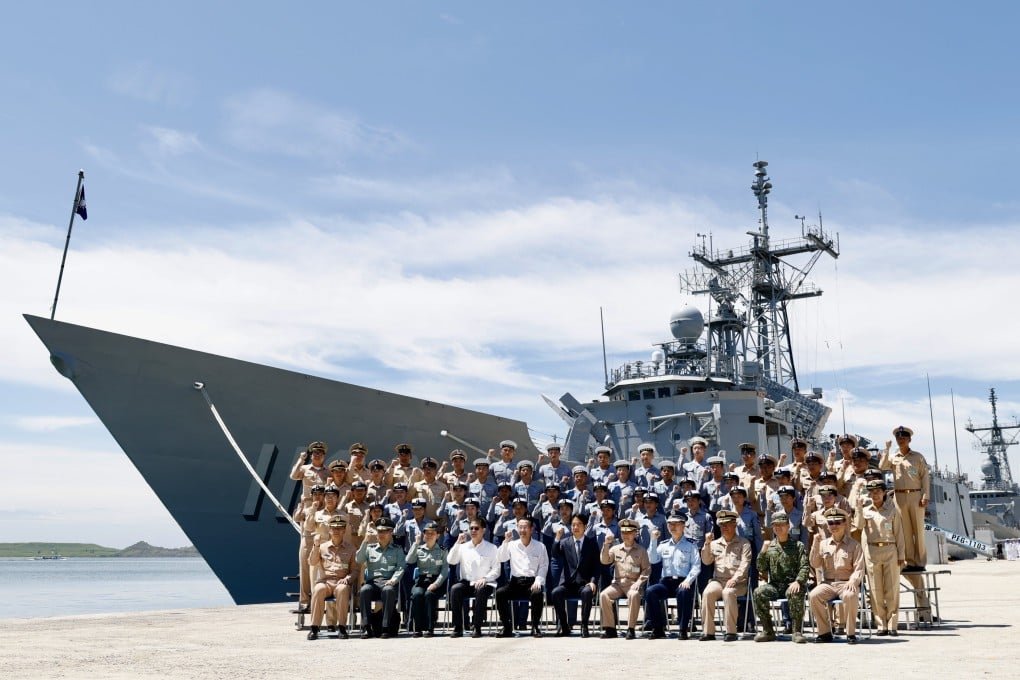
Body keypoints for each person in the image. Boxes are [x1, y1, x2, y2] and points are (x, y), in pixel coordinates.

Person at [808, 507, 865, 644]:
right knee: (814, 595)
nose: (834, 526)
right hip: (828, 583)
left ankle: (850, 633)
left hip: (846, 583)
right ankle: (825, 632)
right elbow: (815, 564)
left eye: (838, 522)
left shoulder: (854, 545)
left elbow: (859, 568)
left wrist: (853, 581)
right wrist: (815, 544)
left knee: (850, 595)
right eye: (831, 523)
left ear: (845, 523)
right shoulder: (823, 544)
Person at [753, 512, 809, 643]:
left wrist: (798, 581)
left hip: (792, 584)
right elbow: (761, 568)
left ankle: (796, 631)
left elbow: (805, 566)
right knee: (758, 593)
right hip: (775, 585)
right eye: (775, 525)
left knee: (794, 592)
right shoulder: (770, 546)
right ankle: (768, 631)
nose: (778, 528)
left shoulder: (798, 546)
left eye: (781, 525)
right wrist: (763, 551)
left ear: (788, 525)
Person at [859, 479, 906, 636]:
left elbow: (899, 534)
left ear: (884, 492)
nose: (875, 495)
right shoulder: (866, 511)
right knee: (875, 590)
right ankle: (881, 625)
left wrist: (901, 555)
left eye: (878, 491)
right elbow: (859, 526)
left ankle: (892, 625)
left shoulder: (892, 510)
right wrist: (859, 508)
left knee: (892, 589)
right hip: (872, 551)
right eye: (872, 492)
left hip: (890, 549)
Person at [880, 426, 929, 572]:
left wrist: (925, 496)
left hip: (915, 496)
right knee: (905, 532)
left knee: (918, 531)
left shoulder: (918, 457)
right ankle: (909, 562)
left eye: (903, 438)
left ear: (909, 439)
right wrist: (887, 449)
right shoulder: (893, 457)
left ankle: (920, 562)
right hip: (899, 497)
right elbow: (882, 466)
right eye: (898, 438)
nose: (901, 440)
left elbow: (925, 477)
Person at [644, 510, 700, 639]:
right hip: (666, 582)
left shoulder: (691, 545)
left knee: (683, 592)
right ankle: (658, 628)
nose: (672, 527)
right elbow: (652, 560)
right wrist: (653, 541)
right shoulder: (663, 545)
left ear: (683, 525)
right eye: (670, 524)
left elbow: (696, 566)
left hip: (683, 581)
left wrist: (688, 581)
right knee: (650, 591)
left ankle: (683, 629)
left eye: (676, 524)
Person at [699, 509, 751, 642]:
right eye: (722, 525)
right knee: (708, 592)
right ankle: (708, 631)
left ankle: (731, 632)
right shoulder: (715, 543)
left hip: (738, 582)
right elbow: (706, 561)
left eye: (727, 524)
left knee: (728, 593)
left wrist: (735, 579)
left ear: (735, 524)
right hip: (718, 580)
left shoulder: (743, 543)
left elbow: (745, 565)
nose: (724, 527)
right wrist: (707, 544)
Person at [495, 516, 549, 637]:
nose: (522, 530)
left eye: (525, 527)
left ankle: (535, 626)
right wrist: (505, 542)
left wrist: (538, 580)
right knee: (500, 593)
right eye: (520, 527)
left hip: (531, 582)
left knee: (537, 593)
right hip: (515, 583)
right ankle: (507, 627)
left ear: (532, 529)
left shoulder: (540, 546)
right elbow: (500, 558)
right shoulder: (512, 545)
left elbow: (544, 566)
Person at [447, 517, 500, 638]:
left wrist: (485, 579)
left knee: (481, 591)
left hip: (485, 582)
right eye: (471, 528)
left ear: (483, 530)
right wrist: (457, 543)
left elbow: (497, 570)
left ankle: (477, 627)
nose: (473, 531)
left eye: (476, 528)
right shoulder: (463, 546)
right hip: (467, 582)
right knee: (455, 589)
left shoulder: (492, 548)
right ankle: (458, 627)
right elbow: (451, 560)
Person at [598, 518, 650, 639]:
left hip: (633, 583)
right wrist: (606, 544)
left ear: (635, 533)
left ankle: (630, 628)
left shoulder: (641, 551)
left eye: (629, 532)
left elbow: (646, 569)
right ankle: (610, 628)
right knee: (604, 595)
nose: (625, 535)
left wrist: (639, 582)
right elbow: (605, 560)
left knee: (633, 595)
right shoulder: (615, 549)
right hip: (618, 584)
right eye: (623, 532)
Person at [355, 516, 406, 639]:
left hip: (388, 582)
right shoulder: (370, 548)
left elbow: (401, 568)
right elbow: (359, 559)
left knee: (388, 591)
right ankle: (367, 627)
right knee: (364, 590)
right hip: (372, 583)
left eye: (385, 531)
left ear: (391, 533)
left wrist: (393, 580)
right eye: (379, 531)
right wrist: (365, 541)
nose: (381, 534)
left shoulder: (397, 550)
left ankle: (385, 627)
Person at [307, 516, 356, 640]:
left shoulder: (351, 549)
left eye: (339, 528)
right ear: (329, 530)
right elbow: (312, 562)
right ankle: (314, 627)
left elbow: (355, 570)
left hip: (341, 581)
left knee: (342, 590)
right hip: (325, 582)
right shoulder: (322, 547)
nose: (336, 531)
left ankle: (342, 627)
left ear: (344, 530)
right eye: (333, 528)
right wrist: (316, 545)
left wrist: (348, 578)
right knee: (318, 590)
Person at [550, 513, 600, 637]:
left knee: (587, 592)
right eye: (573, 525)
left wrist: (593, 581)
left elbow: (596, 566)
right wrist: (557, 538)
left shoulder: (591, 543)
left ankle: (584, 625)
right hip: (568, 584)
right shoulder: (565, 542)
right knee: (555, 592)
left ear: (585, 526)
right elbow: (555, 554)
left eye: (578, 525)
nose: (575, 527)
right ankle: (564, 625)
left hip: (584, 583)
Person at [405, 520, 449, 637]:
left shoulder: (442, 550)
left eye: (432, 533)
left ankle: (430, 628)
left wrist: (436, 584)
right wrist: (415, 543)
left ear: (437, 535)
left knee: (429, 594)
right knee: (417, 594)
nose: (429, 535)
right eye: (427, 533)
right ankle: (418, 628)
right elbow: (409, 560)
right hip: (422, 580)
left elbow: (445, 571)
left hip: (437, 581)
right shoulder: (419, 549)